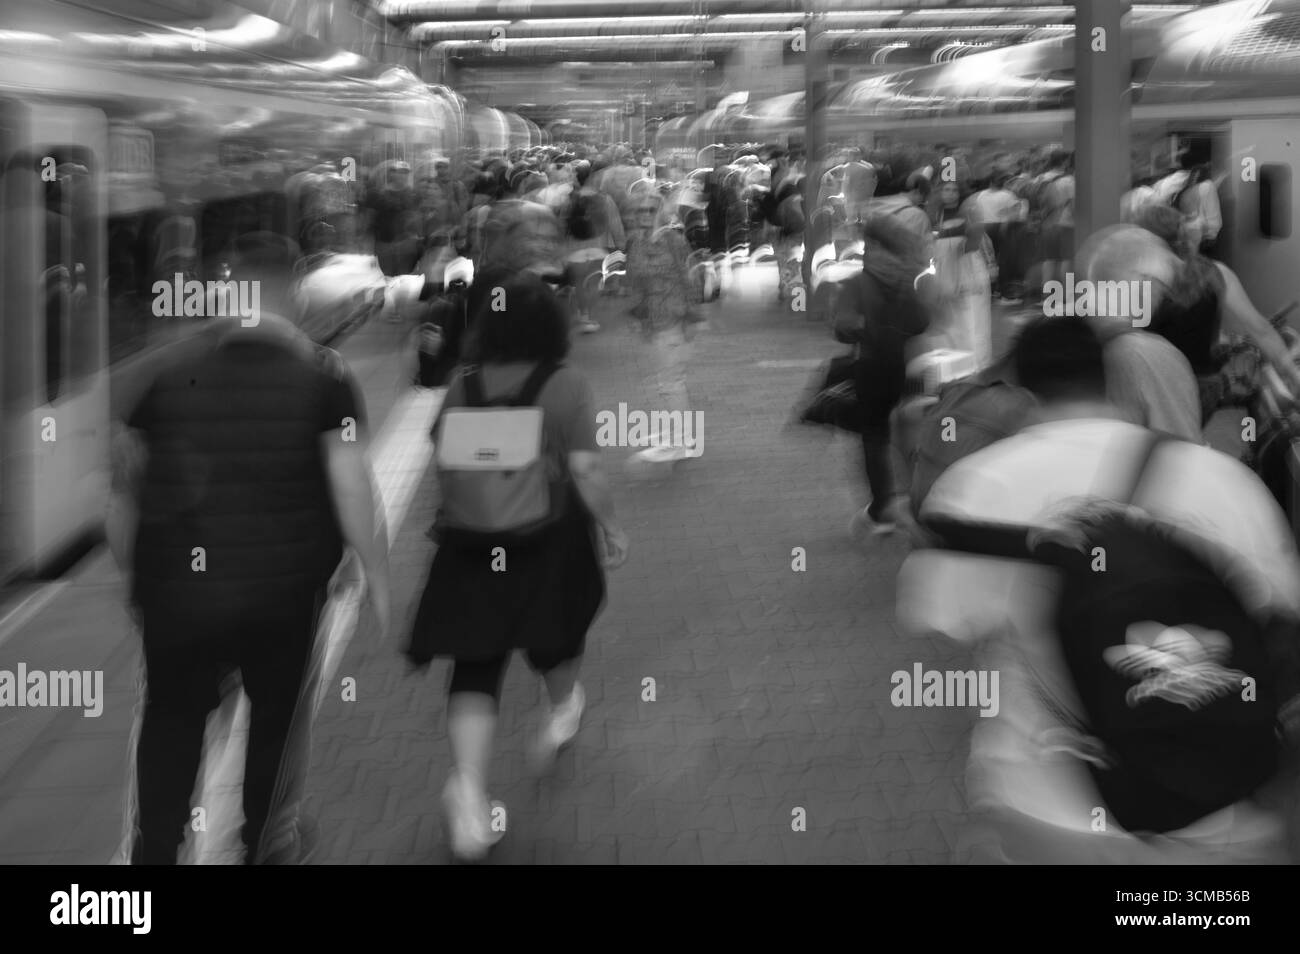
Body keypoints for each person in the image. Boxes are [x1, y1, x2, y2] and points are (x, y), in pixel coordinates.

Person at [898, 316, 1300, 862]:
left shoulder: (980, 485)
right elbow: (1282, 613)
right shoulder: (1222, 479)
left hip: (1050, 811)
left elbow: (946, 616)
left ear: (1019, 391)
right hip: (1222, 821)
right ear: (1108, 380)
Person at [107, 264, 391, 865]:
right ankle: (267, 841)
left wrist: (135, 584)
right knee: (278, 722)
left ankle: (152, 854)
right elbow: (351, 486)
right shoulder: (326, 375)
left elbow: (126, 497)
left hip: (177, 597)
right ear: (293, 299)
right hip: (282, 599)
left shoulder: (159, 374)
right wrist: (375, 574)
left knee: (170, 723)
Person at [406, 273, 628, 862]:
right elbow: (585, 469)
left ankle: (470, 800)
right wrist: (610, 525)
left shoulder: (463, 384)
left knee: (475, 667)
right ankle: (561, 711)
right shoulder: (564, 384)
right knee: (557, 637)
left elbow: (446, 454)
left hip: (471, 544)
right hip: (549, 543)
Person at [831, 213, 934, 537]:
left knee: (874, 439)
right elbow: (922, 322)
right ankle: (922, 501)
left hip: (873, 368)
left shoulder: (858, 282)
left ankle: (881, 511)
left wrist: (867, 328)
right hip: (912, 366)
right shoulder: (914, 276)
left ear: (872, 243)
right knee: (911, 435)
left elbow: (843, 328)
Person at [562, 159, 625, 334]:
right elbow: (615, 224)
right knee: (594, 284)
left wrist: (559, 248)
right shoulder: (604, 199)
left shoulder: (570, 199)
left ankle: (583, 313)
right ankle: (588, 317)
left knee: (579, 284)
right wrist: (621, 245)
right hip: (598, 249)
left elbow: (562, 224)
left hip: (574, 250)